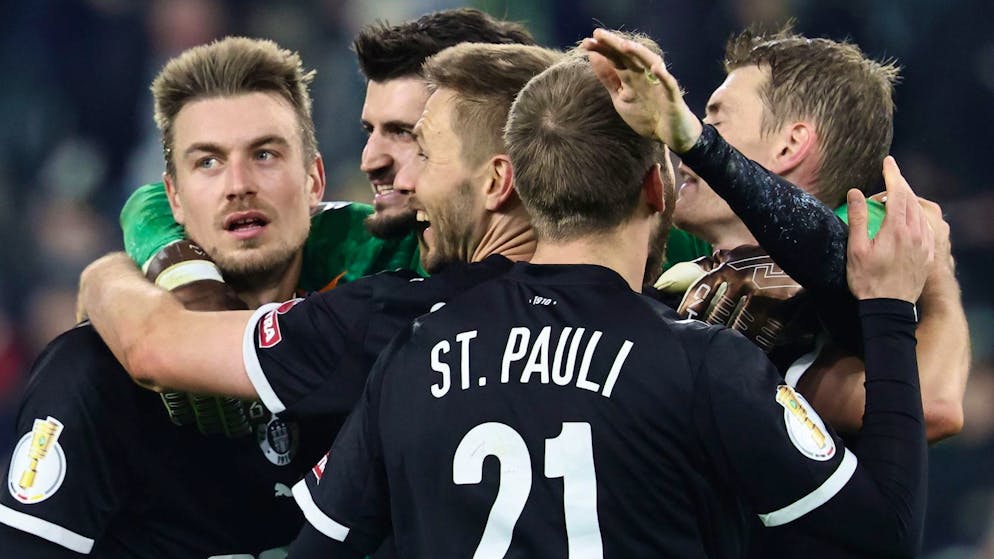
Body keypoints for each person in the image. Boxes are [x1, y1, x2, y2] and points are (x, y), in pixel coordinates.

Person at [287, 51, 933, 558]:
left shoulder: (411, 358)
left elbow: (315, 547)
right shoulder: (705, 363)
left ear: (526, 190)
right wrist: (891, 310)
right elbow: (888, 529)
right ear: (658, 188)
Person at [583, 26, 968, 557]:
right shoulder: (686, 270)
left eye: (717, 116)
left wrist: (942, 286)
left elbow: (934, 406)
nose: (679, 140)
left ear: (790, 143)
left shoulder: (859, 246)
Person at [0, 37, 346, 557]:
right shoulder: (92, 372)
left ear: (315, 180)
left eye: (266, 154)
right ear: (174, 200)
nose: (239, 184)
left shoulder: (370, 344)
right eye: (208, 162)